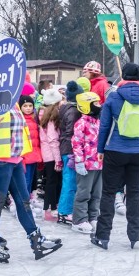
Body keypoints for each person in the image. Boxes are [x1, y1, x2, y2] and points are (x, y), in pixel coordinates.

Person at [0, 100, 63, 262]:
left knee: (24, 201)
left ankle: (36, 240)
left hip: (14, 160)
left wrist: (21, 157)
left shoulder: (14, 105)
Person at [92, 62, 139, 250]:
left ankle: (103, 236)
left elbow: (104, 126)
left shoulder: (113, 97)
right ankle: (134, 234)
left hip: (115, 150)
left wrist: (100, 150)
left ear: (123, 76)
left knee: (109, 192)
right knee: (133, 193)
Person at [71, 92, 103, 233]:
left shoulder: (98, 121)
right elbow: (77, 143)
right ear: (86, 106)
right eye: (95, 103)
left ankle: (93, 217)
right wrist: (79, 162)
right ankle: (79, 220)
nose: (99, 105)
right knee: (84, 193)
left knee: (97, 193)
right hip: (86, 164)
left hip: (99, 164)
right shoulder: (81, 123)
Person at [57, 79, 87, 225]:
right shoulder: (74, 111)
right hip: (69, 149)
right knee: (70, 180)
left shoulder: (65, 108)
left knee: (69, 179)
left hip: (65, 147)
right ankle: (64, 211)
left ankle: (66, 210)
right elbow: (71, 131)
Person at [38, 87, 64, 222]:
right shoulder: (52, 118)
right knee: (53, 182)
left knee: (52, 181)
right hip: (52, 155)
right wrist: (58, 160)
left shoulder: (43, 114)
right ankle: (50, 209)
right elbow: (53, 139)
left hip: (47, 154)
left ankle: (50, 208)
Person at [19, 94, 42, 199]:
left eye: (30, 106)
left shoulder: (35, 119)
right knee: (25, 180)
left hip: (34, 154)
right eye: (25, 106)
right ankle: (24, 201)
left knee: (31, 178)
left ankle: (27, 198)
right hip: (25, 155)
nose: (28, 108)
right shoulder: (21, 120)